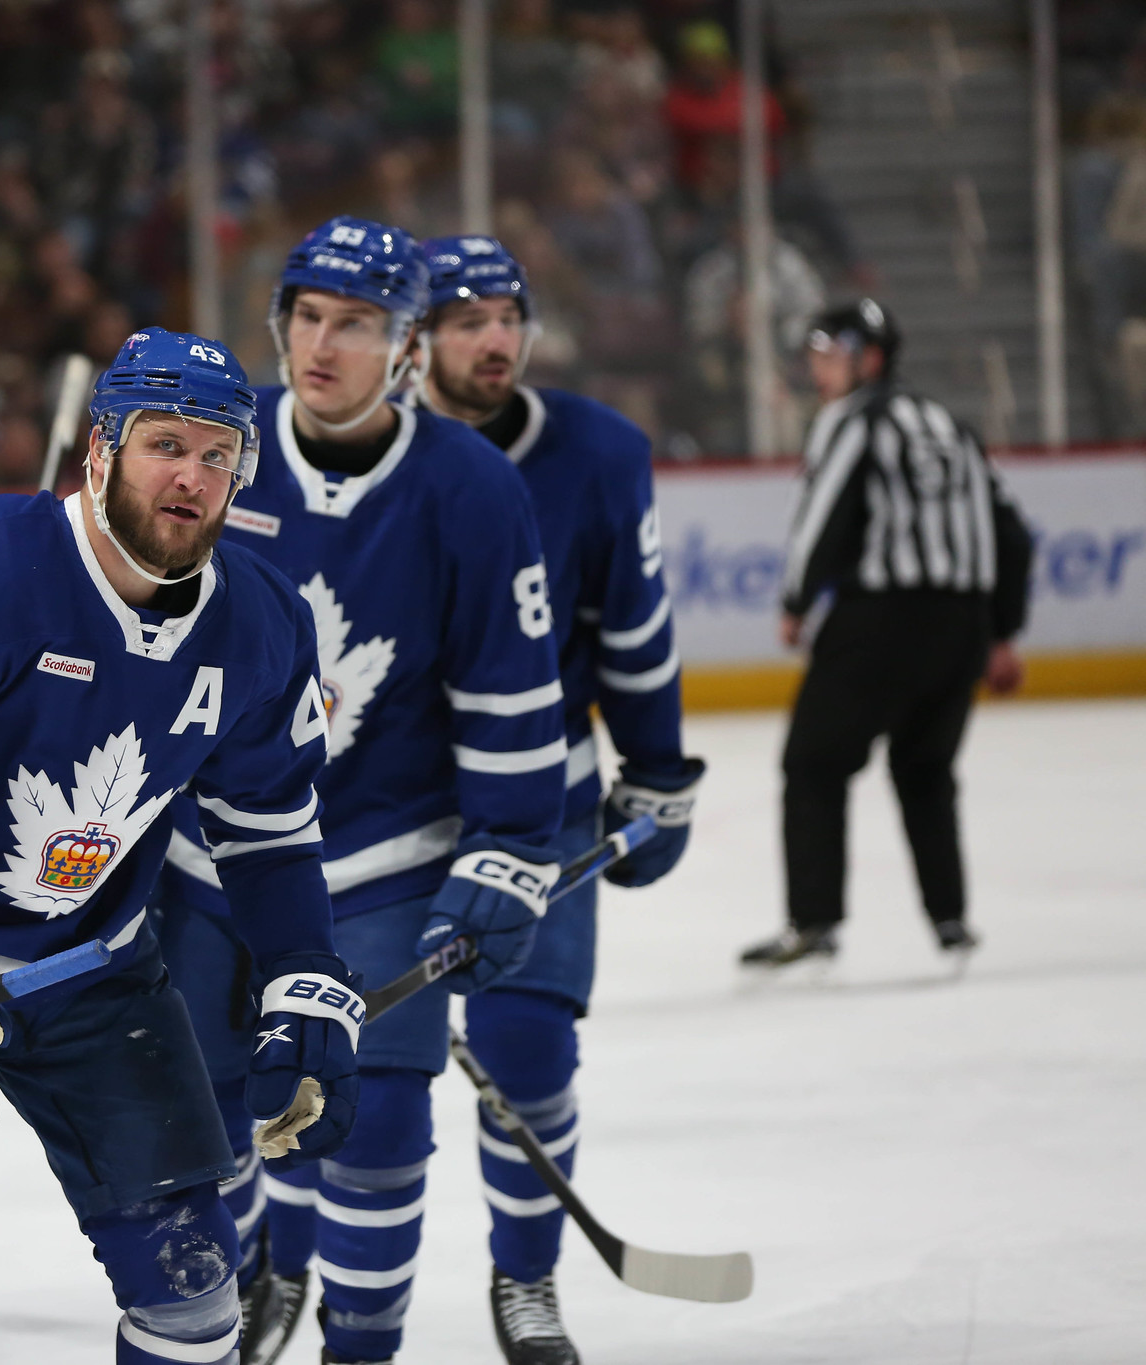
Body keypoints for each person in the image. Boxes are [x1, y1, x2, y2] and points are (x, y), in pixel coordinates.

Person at [0, 329, 364, 1365]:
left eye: (216, 453)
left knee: (190, 1287)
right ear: (100, 451)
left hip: (89, 964)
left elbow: (266, 829)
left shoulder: (261, 622)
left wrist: (305, 973)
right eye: (162, 443)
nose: (190, 474)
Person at [157, 216, 569, 1365]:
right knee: (206, 1117)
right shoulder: (212, 447)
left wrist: (504, 852)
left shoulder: (472, 488)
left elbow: (508, 690)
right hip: (207, 852)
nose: (320, 344)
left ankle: (362, 1346)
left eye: (355, 323)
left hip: (383, 849)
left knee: (378, 1118)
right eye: (305, 316)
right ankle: (236, 1304)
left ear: (402, 349)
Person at [416, 234, 704, 1365]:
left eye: (506, 316)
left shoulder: (593, 453)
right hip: (367, 812)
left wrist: (660, 769)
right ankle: (292, 1270)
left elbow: (631, 632)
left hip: (537, 795)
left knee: (527, 1051)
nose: (493, 339)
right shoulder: (350, 454)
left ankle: (525, 1281)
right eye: (463, 319)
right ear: (415, 337)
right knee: (320, 1073)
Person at [741, 300, 1033, 968]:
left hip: (882, 623)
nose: (816, 367)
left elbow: (825, 513)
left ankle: (813, 923)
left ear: (867, 357)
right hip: (961, 627)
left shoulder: (853, 418)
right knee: (926, 771)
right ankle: (951, 919)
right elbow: (1010, 533)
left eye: (826, 352)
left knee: (812, 765)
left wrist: (796, 599)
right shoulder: (948, 423)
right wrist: (1002, 631)